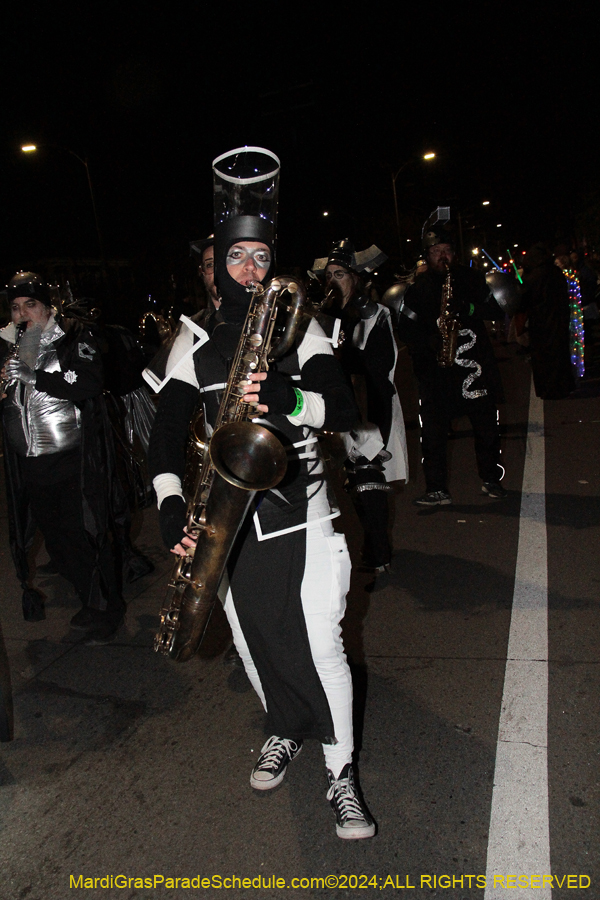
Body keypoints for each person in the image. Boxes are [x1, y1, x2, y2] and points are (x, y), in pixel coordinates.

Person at [148, 147, 375, 839]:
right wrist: (166, 509)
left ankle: (342, 773)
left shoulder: (303, 330)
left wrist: (288, 394)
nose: (248, 269)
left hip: (297, 513)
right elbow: (161, 442)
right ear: (214, 267)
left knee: (321, 645)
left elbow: (341, 408)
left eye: (259, 256)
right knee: (253, 647)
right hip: (227, 524)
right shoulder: (192, 346)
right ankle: (284, 727)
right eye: (234, 257)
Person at [0, 272, 126, 642]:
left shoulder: (72, 339)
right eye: (16, 307)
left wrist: (35, 376)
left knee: (85, 534)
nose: (23, 314)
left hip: (71, 458)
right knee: (57, 540)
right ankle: (90, 599)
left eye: (31, 305)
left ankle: (107, 607)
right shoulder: (13, 345)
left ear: (46, 306)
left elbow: (87, 384)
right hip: (29, 461)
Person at [313, 239, 408, 574]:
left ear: (355, 276)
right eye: (329, 276)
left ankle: (378, 549)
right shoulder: (324, 318)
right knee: (349, 482)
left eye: (340, 274)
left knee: (368, 477)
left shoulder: (374, 315)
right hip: (336, 408)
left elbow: (379, 367)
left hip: (369, 406)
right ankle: (368, 541)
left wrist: (343, 349)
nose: (333, 281)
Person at [398, 214, 506, 505]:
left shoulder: (470, 278)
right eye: (435, 252)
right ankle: (436, 488)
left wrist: (468, 307)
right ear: (427, 255)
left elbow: (495, 310)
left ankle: (491, 479)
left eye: (446, 250)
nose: (442, 257)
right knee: (432, 435)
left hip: (474, 367)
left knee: (486, 427)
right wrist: (428, 341)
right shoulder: (418, 289)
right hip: (438, 371)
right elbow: (405, 326)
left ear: (453, 253)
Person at [521, 244, 574, 399]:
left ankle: (548, 389)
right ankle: (562, 387)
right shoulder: (555, 272)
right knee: (560, 354)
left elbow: (524, 300)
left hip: (541, 323)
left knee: (543, 358)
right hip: (559, 319)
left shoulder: (532, 276)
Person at [190, 234, 220, 309]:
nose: (218, 271)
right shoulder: (196, 320)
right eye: (210, 265)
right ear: (202, 272)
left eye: (225, 263)